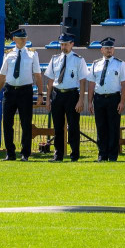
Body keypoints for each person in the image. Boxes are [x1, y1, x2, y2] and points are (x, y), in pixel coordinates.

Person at [0, 28, 44, 161]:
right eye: (20, 38)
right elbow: (2, 75)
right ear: (14, 39)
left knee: (26, 123)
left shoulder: (32, 54)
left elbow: (38, 75)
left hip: (25, 91)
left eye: (25, 38)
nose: (23, 40)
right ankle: (10, 153)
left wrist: (40, 94)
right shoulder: (8, 54)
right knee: (7, 123)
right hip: (10, 91)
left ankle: (25, 153)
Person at [44, 33, 88, 161]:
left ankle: (74, 155)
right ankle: (58, 154)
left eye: (66, 44)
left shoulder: (79, 59)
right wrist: (48, 99)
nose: (63, 47)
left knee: (73, 126)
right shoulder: (55, 59)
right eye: (62, 44)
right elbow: (50, 80)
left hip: (72, 94)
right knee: (58, 126)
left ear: (72, 44)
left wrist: (81, 100)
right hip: (57, 94)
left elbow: (82, 81)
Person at [85, 36, 125, 162]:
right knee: (101, 127)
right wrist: (90, 101)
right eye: (106, 48)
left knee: (113, 127)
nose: (109, 50)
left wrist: (122, 101)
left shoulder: (120, 64)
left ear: (113, 50)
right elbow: (92, 84)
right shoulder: (95, 64)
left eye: (111, 48)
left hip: (114, 98)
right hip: (99, 99)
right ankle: (102, 155)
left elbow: (124, 84)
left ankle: (113, 155)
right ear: (101, 50)